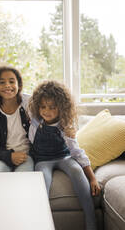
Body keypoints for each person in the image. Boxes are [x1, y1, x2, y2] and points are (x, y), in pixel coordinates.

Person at [28, 80, 101, 230]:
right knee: (43, 178)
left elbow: (76, 152)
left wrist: (92, 178)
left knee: (75, 170)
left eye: (52, 107)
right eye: (43, 107)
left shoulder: (65, 126)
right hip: (42, 160)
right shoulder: (35, 122)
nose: (46, 111)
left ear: (61, 108)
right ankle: (40, 223)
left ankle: (91, 223)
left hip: (64, 157)